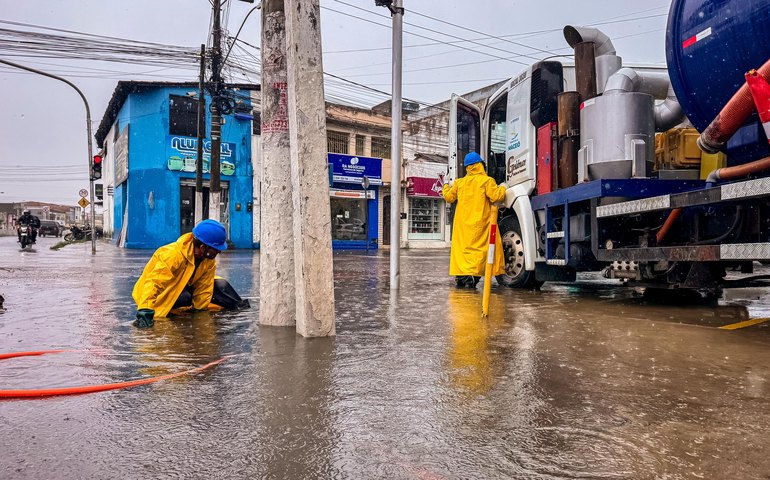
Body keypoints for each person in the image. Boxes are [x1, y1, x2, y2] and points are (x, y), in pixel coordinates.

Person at [132, 219, 249, 328]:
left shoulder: (208, 260)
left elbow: (204, 288)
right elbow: (153, 284)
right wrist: (145, 311)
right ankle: (164, 311)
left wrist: (200, 315)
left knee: (220, 285)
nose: (219, 251)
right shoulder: (172, 255)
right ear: (203, 247)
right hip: (153, 296)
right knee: (185, 297)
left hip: (182, 289)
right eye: (216, 248)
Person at [442, 152, 508, 289]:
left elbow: (449, 197)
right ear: (480, 165)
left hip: (463, 227)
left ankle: (462, 277)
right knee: (479, 252)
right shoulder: (487, 181)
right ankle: (472, 277)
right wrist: (503, 186)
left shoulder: (459, 183)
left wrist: (445, 185)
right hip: (480, 225)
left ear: (467, 168)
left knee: (464, 252)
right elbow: (497, 196)